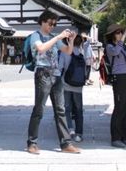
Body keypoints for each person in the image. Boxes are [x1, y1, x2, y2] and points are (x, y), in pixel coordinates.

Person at [26, 10, 81, 155]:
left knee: (61, 110)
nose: (52, 26)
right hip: (42, 74)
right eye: (50, 23)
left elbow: (68, 51)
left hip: (56, 76)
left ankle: (66, 143)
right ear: (43, 21)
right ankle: (32, 143)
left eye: (54, 24)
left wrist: (70, 40)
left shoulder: (53, 37)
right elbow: (41, 48)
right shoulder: (35, 36)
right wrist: (57, 37)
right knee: (39, 109)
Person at [59, 32, 87, 142]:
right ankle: (79, 133)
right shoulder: (82, 52)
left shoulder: (64, 52)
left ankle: (70, 129)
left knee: (67, 108)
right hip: (78, 86)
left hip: (66, 84)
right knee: (79, 109)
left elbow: (60, 67)